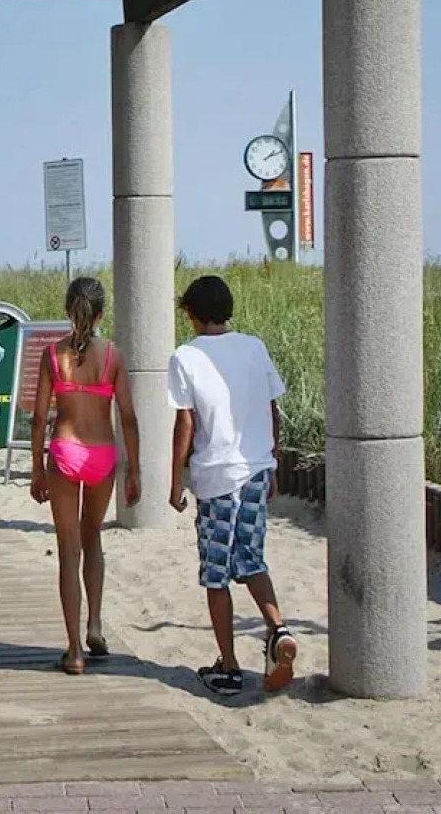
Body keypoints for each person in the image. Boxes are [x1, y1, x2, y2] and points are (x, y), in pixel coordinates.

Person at [167, 275, 298, 697]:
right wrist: (272, 462)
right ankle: (278, 630)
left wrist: (175, 481)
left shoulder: (185, 356)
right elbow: (271, 408)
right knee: (253, 559)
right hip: (256, 470)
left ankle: (229, 664)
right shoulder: (254, 346)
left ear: (191, 312)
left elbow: (185, 423)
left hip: (216, 477)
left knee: (217, 573)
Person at [30, 277, 141, 674]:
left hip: (64, 451)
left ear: (66, 309)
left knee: (68, 549)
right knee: (92, 537)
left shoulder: (52, 355)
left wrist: (37, 470)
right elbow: (127, 417)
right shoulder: (113, 356)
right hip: (102, 455)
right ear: (100, 314)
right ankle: (95, 623)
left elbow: (40, 417)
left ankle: (74, 650)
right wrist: (135, 470)